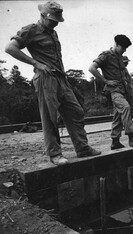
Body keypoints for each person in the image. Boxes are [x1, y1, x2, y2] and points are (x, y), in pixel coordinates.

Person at [4, 1, 101, 166]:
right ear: (42, 16)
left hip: (60, 78)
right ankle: (54, 154)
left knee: (75, 111)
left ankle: (82, 148)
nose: (56, 23)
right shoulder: (30, 30)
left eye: (57, 20)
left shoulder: (52, 32)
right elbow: (10, 48)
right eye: (52, 20)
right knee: (50, 116)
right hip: (45, 78)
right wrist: (36, 63)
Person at [89, 34, 133, 150]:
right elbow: (92, 68)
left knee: (118, 115)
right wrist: (106, 81)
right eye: (123, 48)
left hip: (123, 90)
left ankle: (115, 141)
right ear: (116, 45)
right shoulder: (106, 55)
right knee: (126, 108)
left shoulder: (119, 57)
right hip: (114, 91)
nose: (124, 50)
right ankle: (131, 138)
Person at [122, 56, 133, 126]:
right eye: (125, 62)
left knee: (131, 106)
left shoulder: (125, 69)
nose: (127, 63)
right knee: (126, 107)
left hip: (129, 91)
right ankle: (125, 121)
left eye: (127, 62)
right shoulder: (121, 70)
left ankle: (130, 120)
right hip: (124, 91)